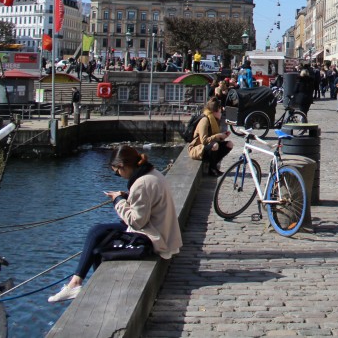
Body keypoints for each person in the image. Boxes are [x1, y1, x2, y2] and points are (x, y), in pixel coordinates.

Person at [47, 146, 181, 302]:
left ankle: (79, 284)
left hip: (154, 236)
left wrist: (118, 201)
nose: (118, 175)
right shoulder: (152, 174)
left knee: (98, 240)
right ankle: (76, 283)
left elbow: (137, 221)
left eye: (117, 171)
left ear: (123, 166)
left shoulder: (141, 183)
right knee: (97, 232)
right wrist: (127, 198)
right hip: (158, 229)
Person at [186, 98, 233, 176]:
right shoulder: (205, 120)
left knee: (229, 144)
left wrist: (223, 136)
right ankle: (212, 169)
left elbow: (214, 137)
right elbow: (204, 140)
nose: (221, 114)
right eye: (220, 112)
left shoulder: (214, 120)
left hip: (207, 146)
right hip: (198, 148)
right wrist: (218, 136)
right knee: (215, 145)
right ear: (215, 111)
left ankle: (213, 166)